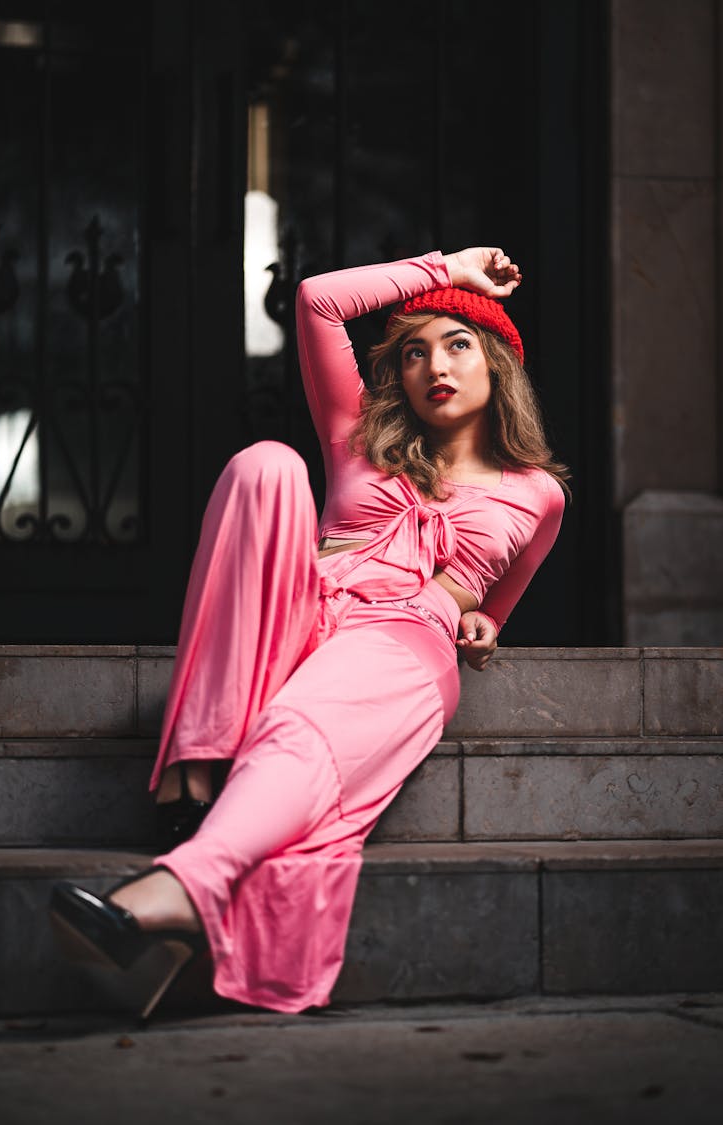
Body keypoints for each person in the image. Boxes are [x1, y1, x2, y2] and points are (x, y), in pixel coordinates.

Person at [50, 246, 568, 1019]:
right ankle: (195, 765)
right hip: (303, 613)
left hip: (402, 638)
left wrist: (484, 618)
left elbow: (500, 596)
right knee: (266, 464)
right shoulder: (360, 438)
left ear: (497, 362)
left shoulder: (539, 495)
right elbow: (319, 299)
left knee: (306, 720)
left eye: (458, 344)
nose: (437, 364)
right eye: (417, 352)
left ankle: (180, 887)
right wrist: (449, 269)